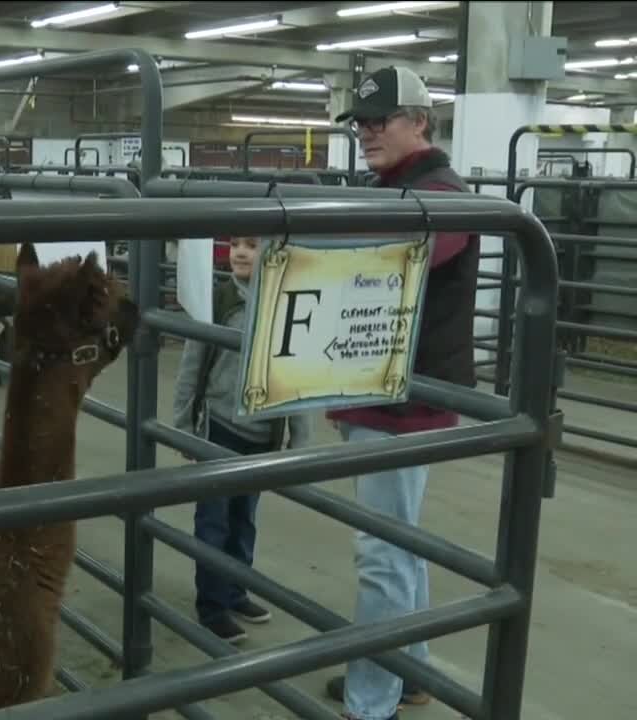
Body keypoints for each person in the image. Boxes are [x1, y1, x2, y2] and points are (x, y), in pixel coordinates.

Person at [323, 66, 480, 720]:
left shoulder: (441, 195)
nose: (365, 132)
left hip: (402, 404)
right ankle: (409, 672)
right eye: (359, 123)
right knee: (400, 544)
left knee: (382, 553)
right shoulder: (397, 190)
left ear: (419, 121)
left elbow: (392, 259)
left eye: (378, 120)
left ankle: (371, 703)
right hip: (382, 395)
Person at [172, 235, 311, 644]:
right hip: (220, 428)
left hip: (263, 433)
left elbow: (297, 375)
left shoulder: (286, 303)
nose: (240, 252)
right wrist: (182, 426)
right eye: (235, 244)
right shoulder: (217, 302)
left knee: (244, 520)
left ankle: (235, 590)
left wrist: (300, 436)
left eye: (252, 244)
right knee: (213, 521)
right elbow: (191, 366)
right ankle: (212, 606)